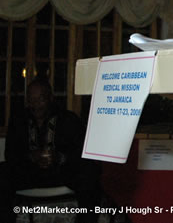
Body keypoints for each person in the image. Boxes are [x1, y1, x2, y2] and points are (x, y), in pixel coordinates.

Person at [1, 78, 101, 223]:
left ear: (50, 98)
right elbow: (10, 154)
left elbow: (81, 152)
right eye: (31, 100)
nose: (35, 105)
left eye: (40, 100)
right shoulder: (19, 120)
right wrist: (31, 156)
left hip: (60, 172)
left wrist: (59, 157)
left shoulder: (68, 119)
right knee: (3, 172)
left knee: (89, 171)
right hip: (29, 173)